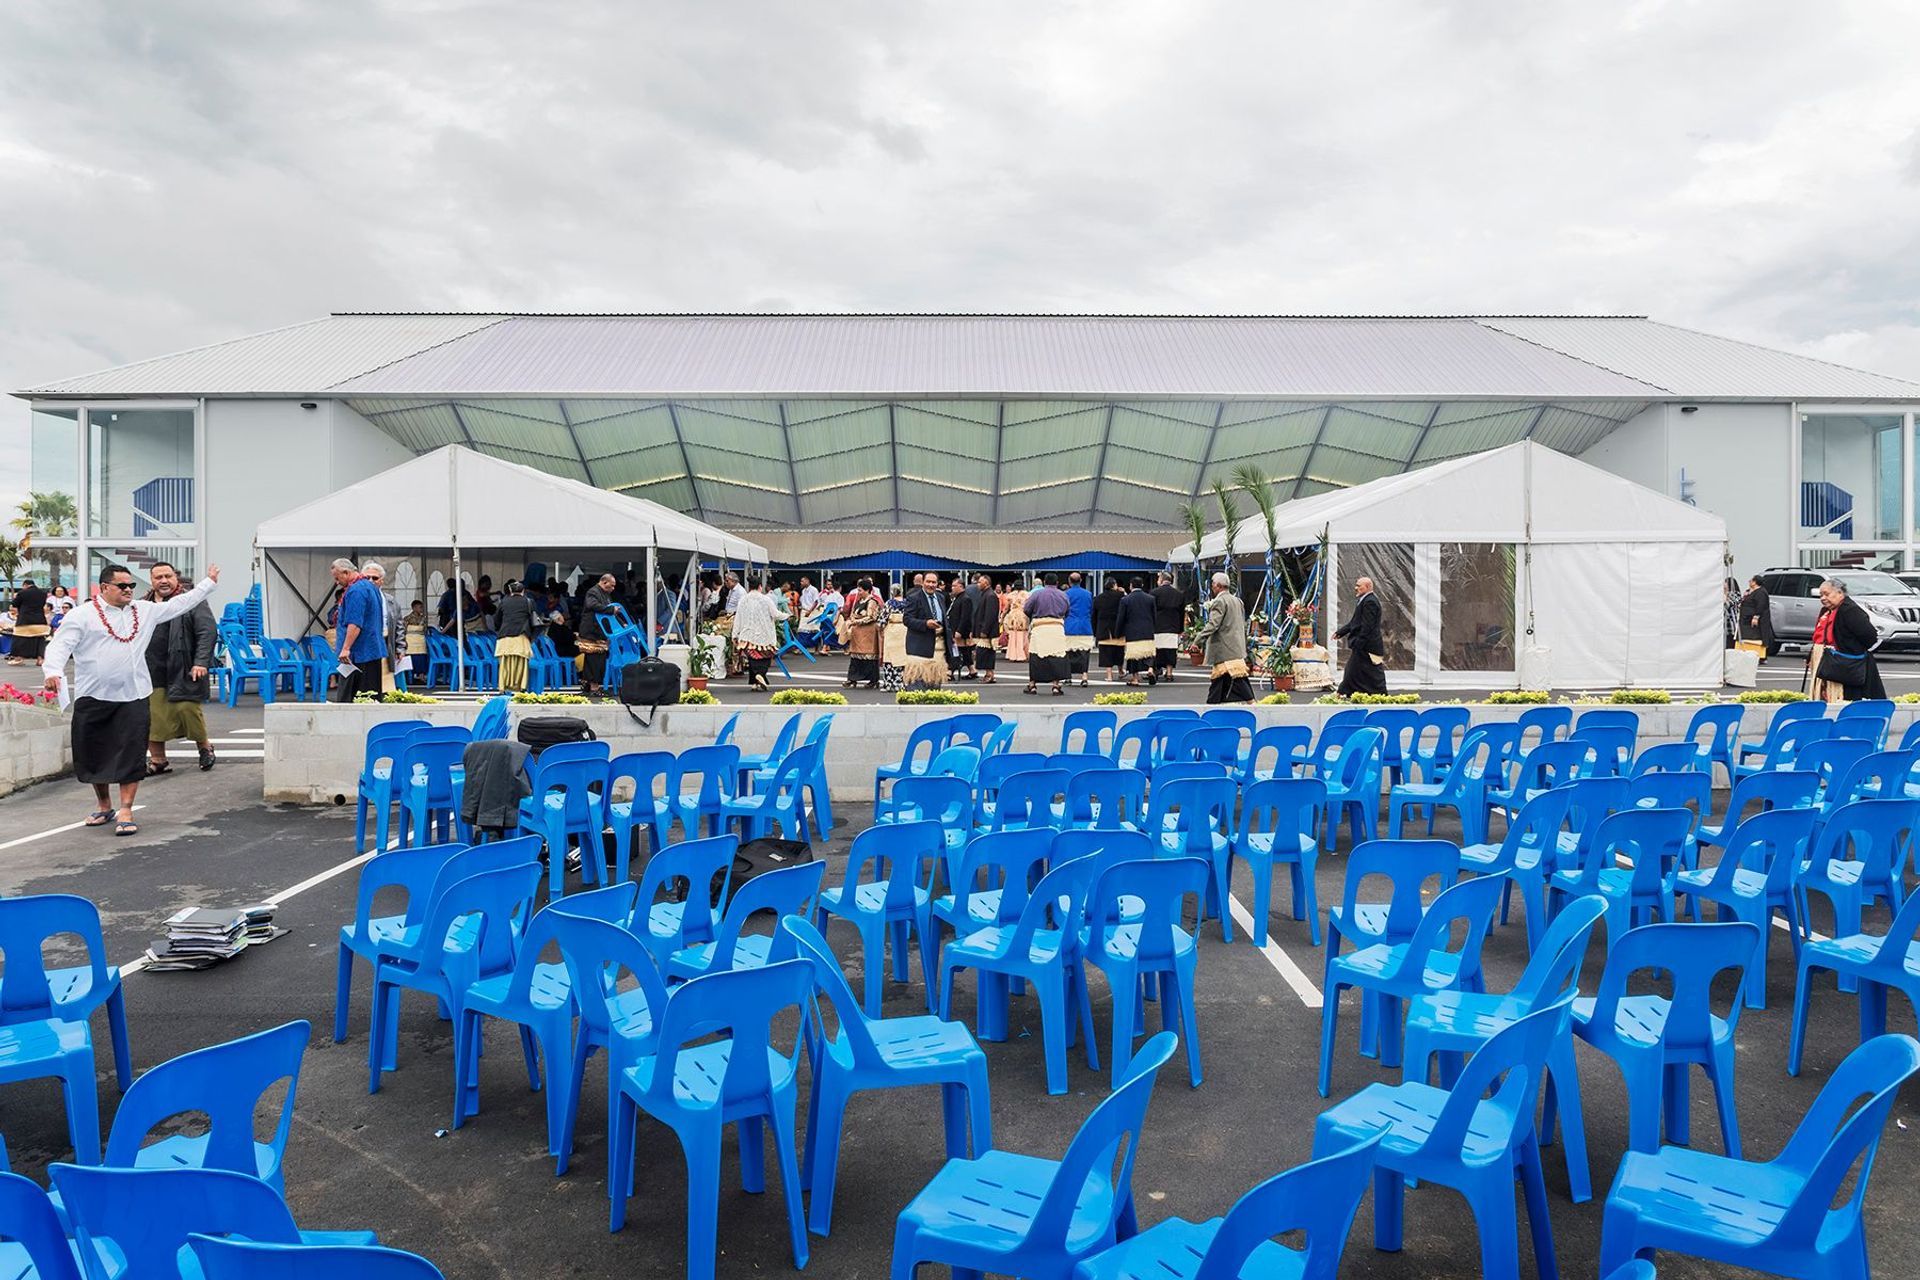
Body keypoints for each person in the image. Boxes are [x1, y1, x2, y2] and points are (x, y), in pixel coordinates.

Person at [42, 561, 220, 836]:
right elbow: (60, 645)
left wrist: (208, 583)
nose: (128, 590)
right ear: (104, 587)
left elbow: (181, 603)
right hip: (94, 696)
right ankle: (104, 805)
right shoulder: (82, 615)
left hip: (134, 695)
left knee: (132, 753)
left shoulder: (144, 611)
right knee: (94, 753)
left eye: (131, 585)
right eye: (122, 585)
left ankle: (126, 809)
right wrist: (53, 671)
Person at [142, 561, 217, 775]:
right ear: (151, 580)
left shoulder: (191, 600)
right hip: (152, 668)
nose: (164, 581)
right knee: (154, 715)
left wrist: (200, 662)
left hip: (184, 666)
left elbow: (207, 632)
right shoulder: (143, 604)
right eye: (158, 577)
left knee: (187, 709)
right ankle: (158, 760)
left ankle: (205, 748)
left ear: (176, 577)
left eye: (168, 576)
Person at [1810, 577, 1885, 702]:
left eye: (1826, 594)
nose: (1823, 598)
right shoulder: (1826, 611)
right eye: (1821, 595)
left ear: (1840, 593)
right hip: (1827, 662)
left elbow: (1870, 636)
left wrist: (1850, 650)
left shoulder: (1850, 610)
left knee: (1849, 698)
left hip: (1847, 663)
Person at [331, 558, 389, 702]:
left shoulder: (356, 590)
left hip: (358, 654)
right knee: (371, 695)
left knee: (350, 698)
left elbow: (355, 623)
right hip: (371, 650)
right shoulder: (371, 587)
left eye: (337, 578)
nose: (337, 582)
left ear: (346, 572)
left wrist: (346, 648)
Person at [1193, 571, 1253, 704]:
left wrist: (1198, 640)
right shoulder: (1237, 601)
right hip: (1236, 646)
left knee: (1235, 679)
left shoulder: (1219, 601)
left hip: (1224, 648)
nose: (1212, 587)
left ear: (1219, 586)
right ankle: (1213, 704)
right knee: (1224, 680)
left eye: (1213, 584)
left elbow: (1213, 624)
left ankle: (1252, 704)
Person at [730, 575, 788, 691]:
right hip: (764, 634)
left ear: (749, 587)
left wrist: (734, 634)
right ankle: (760, 674)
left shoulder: (743, 600)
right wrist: (787, 616)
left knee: (752, 658)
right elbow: (775, 614)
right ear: (760, 586)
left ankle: (754, 682)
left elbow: (738, 618)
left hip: (747, 634)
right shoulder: (766, 599)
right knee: (765, 657)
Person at [1333, 575, 1388, 696]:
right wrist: (1341, 632)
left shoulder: (1370, 602)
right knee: (1362, 671)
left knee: (1358, 670)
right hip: (1364, 644)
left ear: (1367, 587)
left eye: (1359, 586)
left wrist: (1359, 643)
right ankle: (1345, 692)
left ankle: (1342, 692)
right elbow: (1355, 622)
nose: (1355, 588)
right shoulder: (1364, 600)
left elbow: (1368, 626)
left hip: (1367, 645)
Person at [900, 572, 949, 690]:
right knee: (917, 687)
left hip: (938, 648)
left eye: (933, 582)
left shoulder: (941, 597)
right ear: (922, 582)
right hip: (919, 648)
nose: (931, 585)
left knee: (934, 687)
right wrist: (925, 624)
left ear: (937, 584)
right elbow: (907, 619)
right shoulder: (914, 597)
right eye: (928, 582)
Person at [1023, 573, 1070, 695]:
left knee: (1036, 656)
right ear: (1057, 583)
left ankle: (1032, 685)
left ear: (1044, 582)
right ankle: (1056, 685)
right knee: (1057, 656)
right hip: (1057, 627)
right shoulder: (1063, 595)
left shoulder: (1037, 594)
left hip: (1040, 627)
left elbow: (1026, 609)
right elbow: (1067, 611)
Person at [494, 579, 537, 692]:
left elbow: (496, 619)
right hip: (521, 635)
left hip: (505, 635)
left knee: (505, 663)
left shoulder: (504, 601)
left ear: (510, 590)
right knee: (521, 662)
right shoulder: (529, 602)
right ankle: (521, 687)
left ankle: (503, 687)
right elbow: (534, 620)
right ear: (523, 590)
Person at [579, 572, 618, 696]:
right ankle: (594, 687)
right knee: (594, 658)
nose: (613, 588)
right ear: (604, 582)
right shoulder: (593, 592)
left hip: (600, 631)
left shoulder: (606, 594)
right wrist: (611, 610)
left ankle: (589, 685)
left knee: (597, 658)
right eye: (611, 585)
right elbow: (592, 605)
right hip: (592, 631)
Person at [841, 576, 883, 688]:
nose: (858, 592)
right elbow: (853, 613)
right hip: (857, 634)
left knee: (869, 657)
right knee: (855, 657)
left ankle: (873, 680)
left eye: (860, 590)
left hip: (868, 634)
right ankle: (852, 679)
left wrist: (856, 621)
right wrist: (851, 620)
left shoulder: (872, 601)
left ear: (867, 590)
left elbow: (872, 617)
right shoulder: (859, 601)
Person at [1117, 578, 1158, 685]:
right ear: (1142, 585)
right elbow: (1154, 616)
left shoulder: (1125, 600)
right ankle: (1150, 669)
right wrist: (1154, 628)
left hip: (1132, 631)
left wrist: (1118, 632)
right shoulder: (1150, 598)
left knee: (1133, 656)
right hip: (1147, 629)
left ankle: (1135, 678)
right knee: (1149, 652)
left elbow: (1121, 618)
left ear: (1131, 585)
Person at [965, 573, 1002, 684]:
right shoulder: (986, 594)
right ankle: (989, 674)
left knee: (986, 654)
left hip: (987, 632)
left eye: (980, 582)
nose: (977, 584)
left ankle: (989, 674)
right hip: (983, 630)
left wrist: (985, 630)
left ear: (986, 583)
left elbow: (990, 615)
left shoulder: (990, 595)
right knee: (984, 653)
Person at [1150, 571, 1186, 681]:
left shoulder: (1154, 593)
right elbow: (1181, 613)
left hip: (1157, 626)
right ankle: (1169, 672)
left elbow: (1151, 611)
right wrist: (1180, 629)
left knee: (1157, 650)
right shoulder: (1178, 594)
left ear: (1161, 580)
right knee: (1171, 650)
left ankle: (1155, 670)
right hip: (1173, 626)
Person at [1063, 571, 1095, 687]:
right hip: (1085, 625)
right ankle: (1084, 676)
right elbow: (1091, 610)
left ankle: (1068, 676)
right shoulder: (1088, 594)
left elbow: (1064, 610)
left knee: (1068, 652)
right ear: (1080, 580)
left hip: (1070, 625)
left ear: (1069, 581)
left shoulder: (1066, 594)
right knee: (1084, 652)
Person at [8, 577, 49, 666]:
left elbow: (14, 604)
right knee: (40, 640)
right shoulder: (43, 593)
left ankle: (19, 658)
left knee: (20, 639)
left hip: (25, 620)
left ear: (25, 585)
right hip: (40, 620)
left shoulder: (22, 593)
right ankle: (40, 659)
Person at [1092, 579, 1126, 681]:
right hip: (1118, 629)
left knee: (1106, 653)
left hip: (1104, 629)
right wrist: (1123, 592)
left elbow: (1094, 616)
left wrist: (1095, 631)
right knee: (1119, 652)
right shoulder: (1121, 597)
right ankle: (1120, 670)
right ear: (1114, 585)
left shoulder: (1098, 598)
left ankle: (1109, 675)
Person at [1739, 575, 1777, 660]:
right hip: (1747, 618)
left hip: (1756, 618)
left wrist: (1756, 617)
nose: (1749, 582)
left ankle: (1760, 656)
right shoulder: (1750, 591)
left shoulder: (1761, 592)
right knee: (1748, 636)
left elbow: (1761, 605)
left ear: (1755, 582)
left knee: (1756, 636)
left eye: (1751, 580)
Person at [880, 582, 909, 691]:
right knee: (903, 657)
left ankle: (889, 684)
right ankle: (902, 684)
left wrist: (880, 627)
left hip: (891, 631)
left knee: (890, 658)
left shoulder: (889, 603)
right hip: (904, 630)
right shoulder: (907, 603)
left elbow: (882, 619)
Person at [945, 576, 974, 680]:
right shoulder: (957, 598)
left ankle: (950, 671)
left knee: (956, 651)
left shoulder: (965, 599)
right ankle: (972, 669)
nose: (952, 588)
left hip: (960, 630)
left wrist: (959, 631)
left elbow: (965, 617)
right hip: (955, 629)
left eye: (954, 586)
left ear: (961, 586)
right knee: (964, 651)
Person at [1002, 581, 1030, 666]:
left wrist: (1002, 616)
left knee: (1013, 635)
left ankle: (1013, 655)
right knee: (1023, 635)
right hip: (1023, 616)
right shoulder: (1027, 595)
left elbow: (1006, 608)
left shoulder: (1010, 595)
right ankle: (1023, 654)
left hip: (1012, 616)